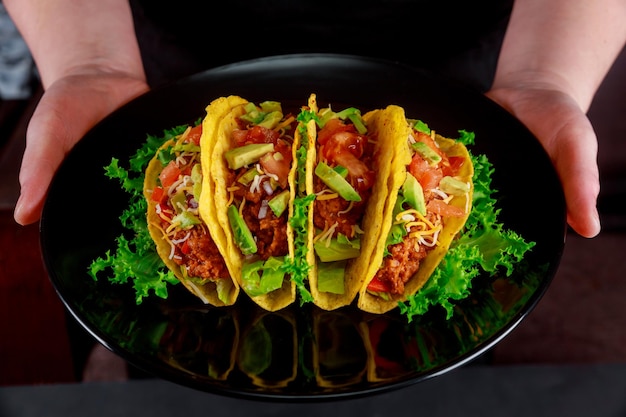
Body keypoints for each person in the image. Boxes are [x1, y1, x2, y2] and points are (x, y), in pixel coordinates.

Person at [4, 0, 625, 240]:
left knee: (438, 353)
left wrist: (544, 75)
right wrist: (89, 61)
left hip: (473, 73)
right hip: (161, 71)